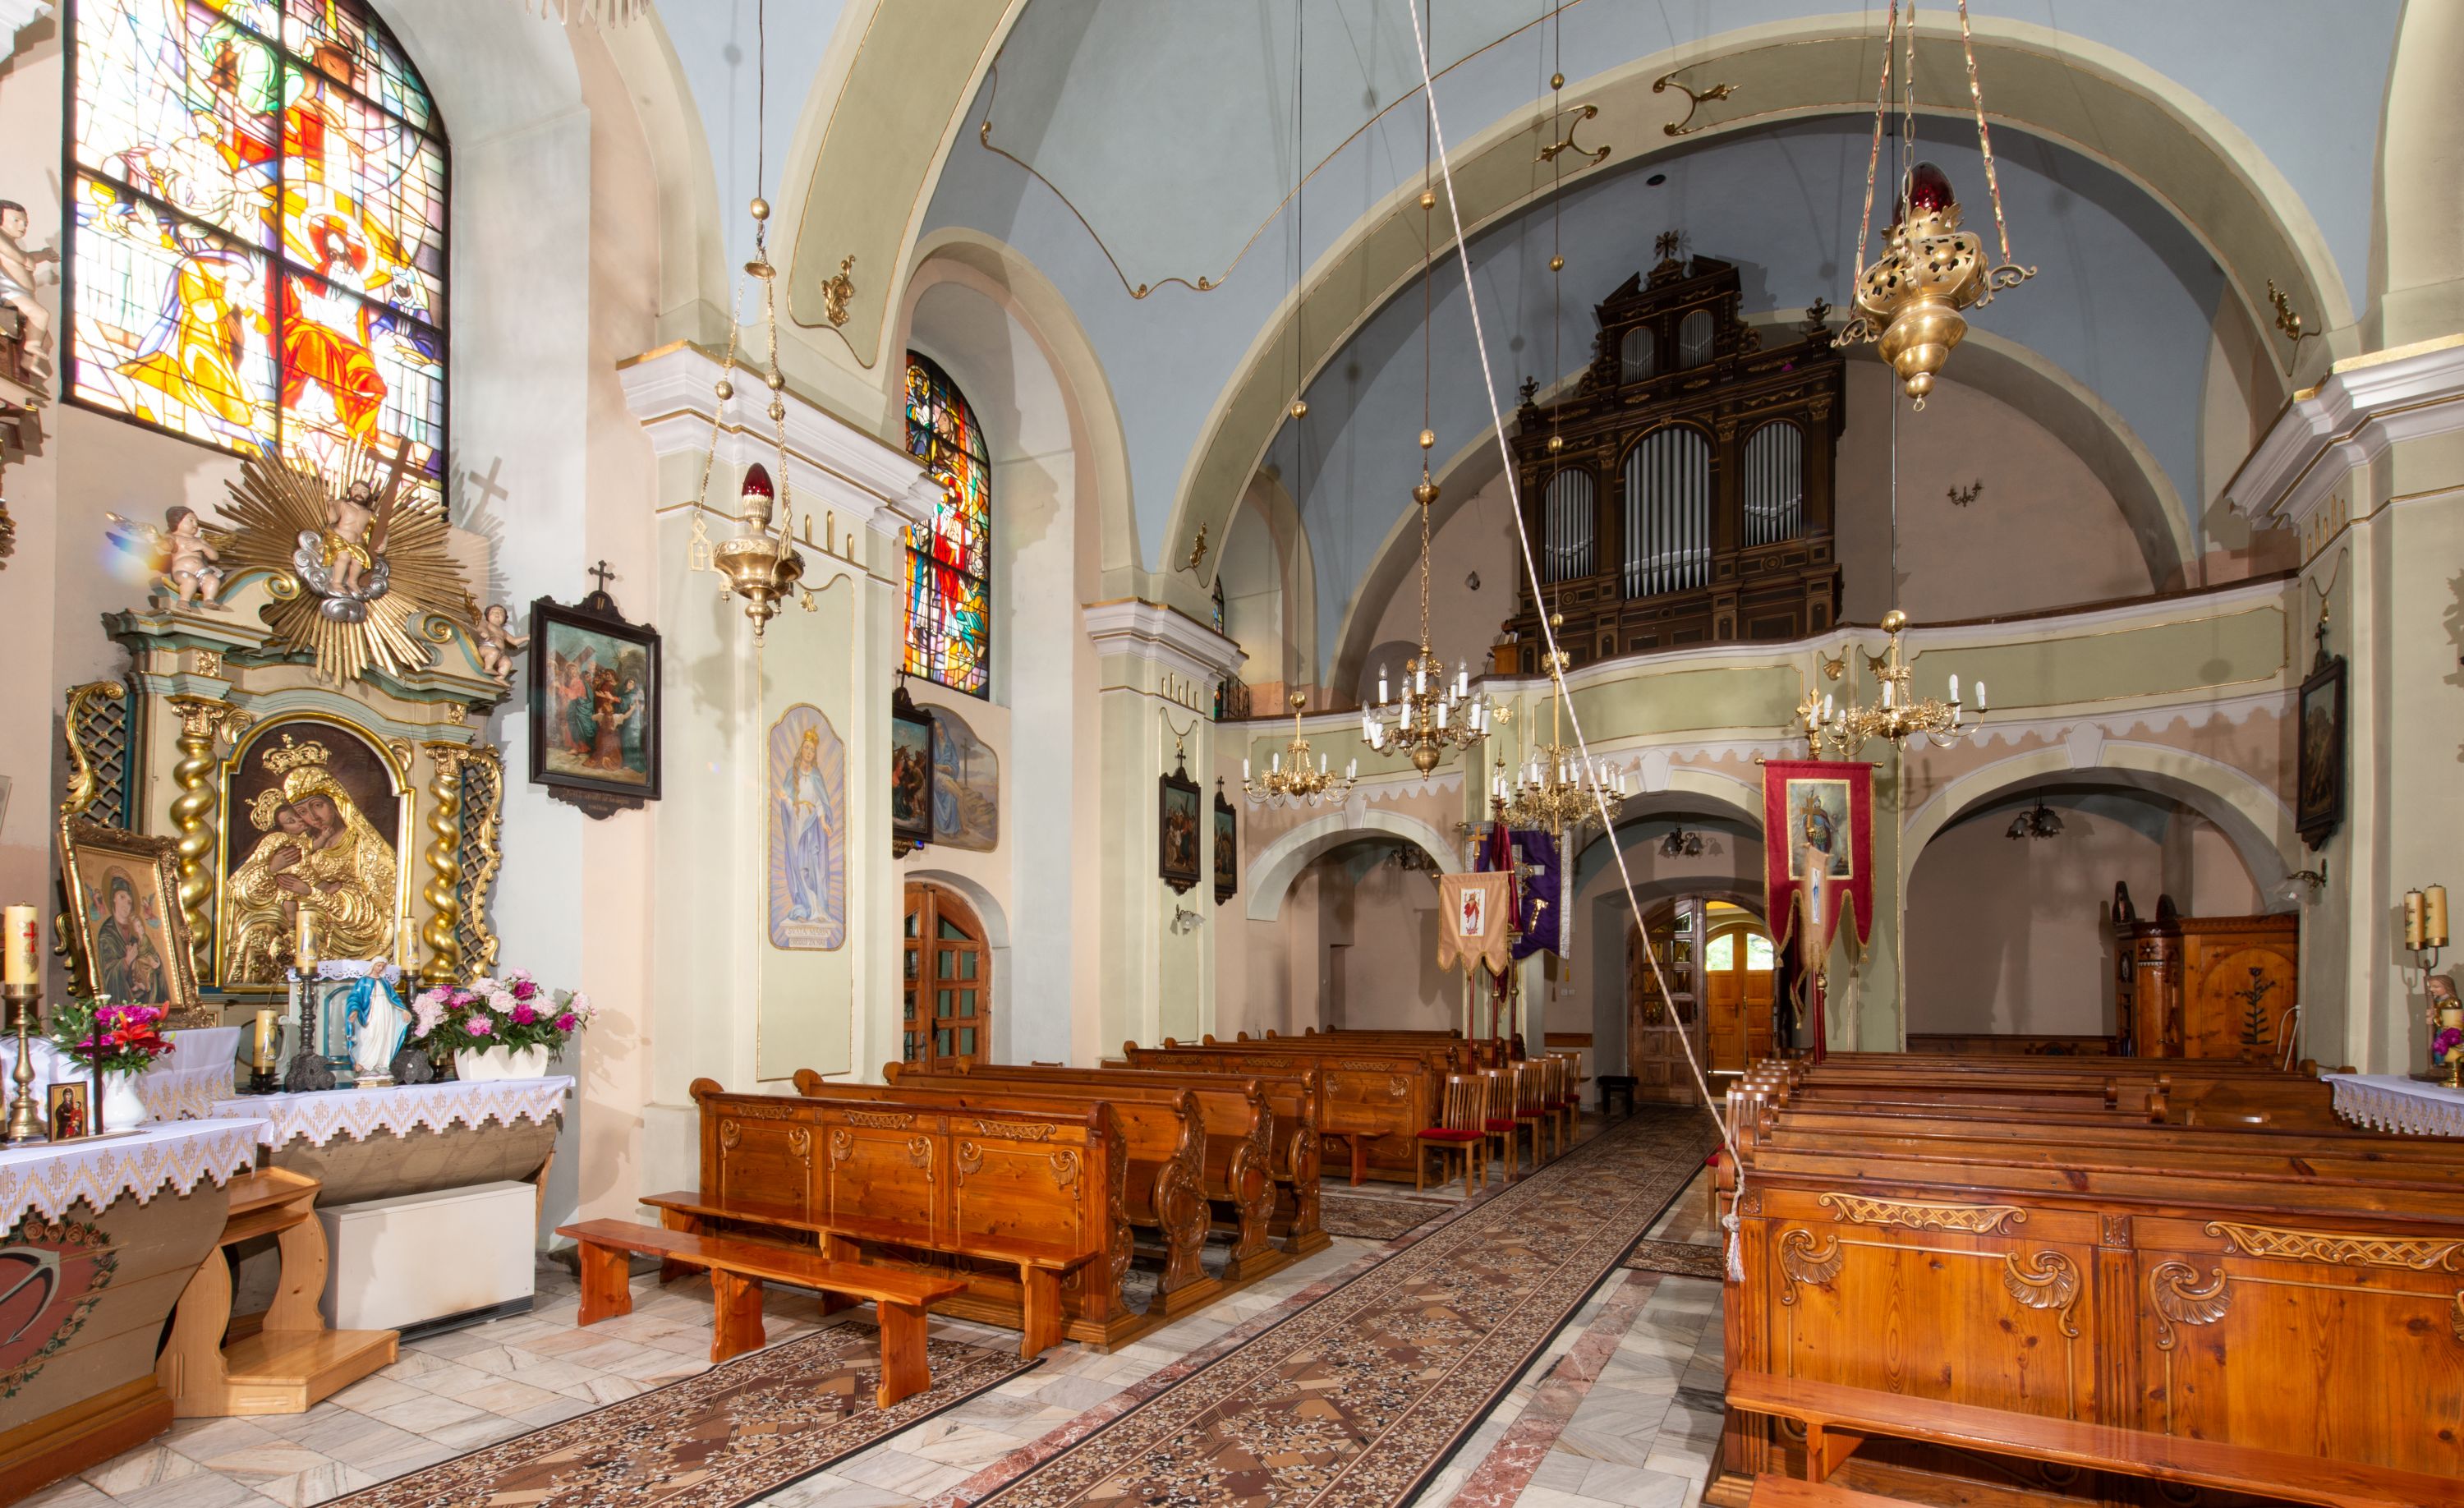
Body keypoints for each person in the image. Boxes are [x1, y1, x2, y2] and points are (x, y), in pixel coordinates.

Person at [780, 728, 839, 926]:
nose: (809, 752)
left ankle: (816, 908)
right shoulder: (792, 774)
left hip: (812, 824)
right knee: (799, 864)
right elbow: (786, 799)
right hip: (797, 822)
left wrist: (823, 822)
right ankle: (803, 907)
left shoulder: (816, 775)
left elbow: (821, 801)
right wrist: (790, 803)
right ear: (801, 749)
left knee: (813, 866)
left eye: (812, 750)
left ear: (814, 754)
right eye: (806, 748)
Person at [0, 200, 58, 380]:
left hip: (24, 296)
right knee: (41, 315)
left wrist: (44, 255)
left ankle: (29, 361)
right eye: (16, 220)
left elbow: (28, 256)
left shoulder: (14, 246)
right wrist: (24, 259)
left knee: (47, 341)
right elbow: (15, 254)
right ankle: (32, 346)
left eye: (25, 223)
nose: (23, 226)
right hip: (8, 293)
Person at [91, 870, 166, 1005]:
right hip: (120, 1007)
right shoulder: (107, 934)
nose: (126, 904)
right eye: (122, 897)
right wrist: (126, 962)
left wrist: (154, 964)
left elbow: (154, 964)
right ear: (113, 898)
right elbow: (106, 973)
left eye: (130, 902)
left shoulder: (136, 934)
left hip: (144, 1002)